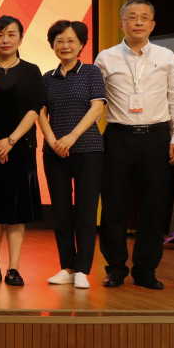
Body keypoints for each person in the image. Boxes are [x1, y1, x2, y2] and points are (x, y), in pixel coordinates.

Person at [94, 0, 174, 289]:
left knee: (153, 207)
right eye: (132, 17)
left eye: (144, 17)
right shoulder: (105, 58)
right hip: (118, 137)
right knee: (114, 207)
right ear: (121, 24)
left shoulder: (166, 56)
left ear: (152, 24)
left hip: (156, 137)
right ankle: (115, 268)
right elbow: (95, 101)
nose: (138, 22)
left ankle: (146, 270)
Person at [0, 16, 45, 287]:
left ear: (20, 39)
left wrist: (10, 142)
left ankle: (14, 268)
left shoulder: (31, 70)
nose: (5, 40)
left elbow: (35, 109)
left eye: (11, 35)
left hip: (20, 147)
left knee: (17, 209)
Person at [37, 21, 106, 289]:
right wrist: (53, 140)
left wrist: (71, 137)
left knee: (86, 211)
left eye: (71, 41)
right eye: (59, 41)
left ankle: (82, 270)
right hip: (55, 152)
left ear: (81, 45)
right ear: (52, 45)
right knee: (61, 211)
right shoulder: (47, 78)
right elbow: (40, 112)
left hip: (88, 149)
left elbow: (96, 108)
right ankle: (66, 267)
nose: (65, 46)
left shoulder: (91, 72)